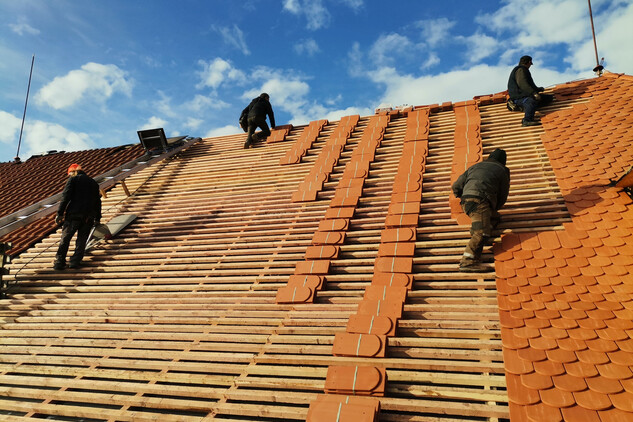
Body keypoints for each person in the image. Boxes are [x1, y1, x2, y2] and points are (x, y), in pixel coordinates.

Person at [452, 149, 510, 273]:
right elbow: (503, 196)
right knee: (482, 232)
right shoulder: (502, 171)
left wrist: (462, 195)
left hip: (466, 202)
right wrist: (495, 205)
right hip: (481, 202)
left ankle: (480, 228)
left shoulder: (476, 166)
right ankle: (468, 262)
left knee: (494, 218)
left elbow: (456, 186)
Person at [53, 164, 101, 270]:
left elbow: (65, 197)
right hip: (88, 217)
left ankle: (59, 262)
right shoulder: (93, 183)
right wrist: (98, 218)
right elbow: (98, 201)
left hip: (74, 215)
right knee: (81, 240)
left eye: (69, 174)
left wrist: (59, 213)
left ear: (72, 172)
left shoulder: (73, 180)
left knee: (65, 238)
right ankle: (75, 261)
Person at [507, 55, 554, 126]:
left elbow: (529, 86)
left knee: (548, 98)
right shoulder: (521, 70)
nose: (530, 65)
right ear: (529, 62)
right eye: (530, 63)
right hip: (519, 97)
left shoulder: (523, 70)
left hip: (525, 96)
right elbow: (523, 84)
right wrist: (534, 93)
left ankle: (527, 107)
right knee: (530, 101)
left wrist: (538, 89)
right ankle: (527, 120)